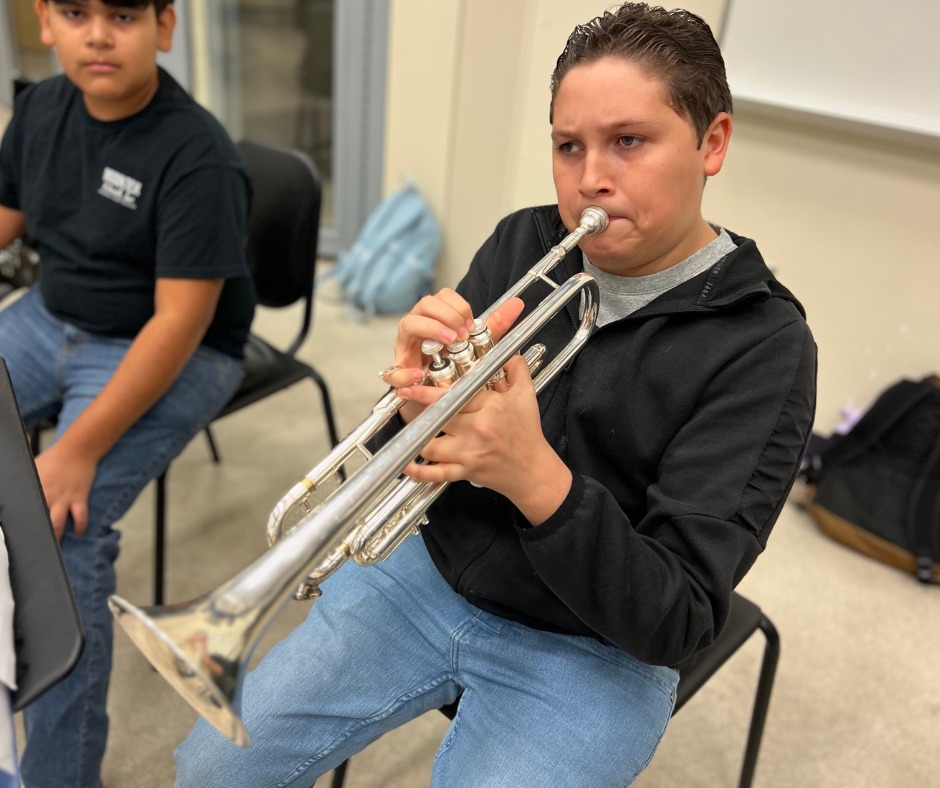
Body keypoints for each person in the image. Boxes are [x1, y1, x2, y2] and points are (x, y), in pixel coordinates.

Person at [175, 3, 816, 786]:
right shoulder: (525, 240)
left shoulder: (765, 348)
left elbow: (676, 616)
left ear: (711, 143)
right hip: (431, 571)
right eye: (567, 145)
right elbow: (401, 465)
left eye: (629, 142)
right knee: (211, 770)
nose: (590, 179)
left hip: (595, 647)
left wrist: (534, 477)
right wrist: (413, 410)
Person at [0, 1, 255, 785]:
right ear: (46, 21)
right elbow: (7, 215)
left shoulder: (197, 154)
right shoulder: (40, 106)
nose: (98, 34)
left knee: (63, 537)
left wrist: (79, 450)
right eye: (76, 11)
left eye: (122, 13)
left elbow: (179, 322)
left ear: (165, 27)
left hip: (174, 345)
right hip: (53, 313)